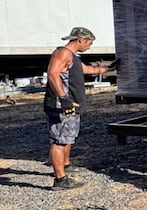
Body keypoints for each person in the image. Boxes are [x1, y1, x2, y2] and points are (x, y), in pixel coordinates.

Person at [44, 27, 110, 190]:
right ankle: (60, 180)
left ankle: (65, 165)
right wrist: (63, 98)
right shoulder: (62, 53)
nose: (90, 46)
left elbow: (86, 69)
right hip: (61, 105)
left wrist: (108, 69)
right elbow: (52, 74)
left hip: (71, 104)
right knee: (59, 141)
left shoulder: (73, 56)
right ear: (81, 40)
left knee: (67, 137)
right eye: (89, 43)